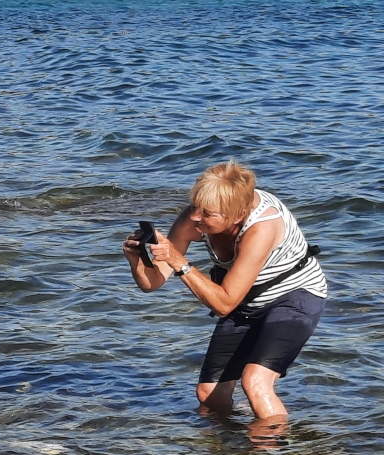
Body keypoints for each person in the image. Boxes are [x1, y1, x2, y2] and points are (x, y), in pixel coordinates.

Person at [122, 161, 327, 421]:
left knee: (255, 383)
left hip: (294, 295)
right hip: (243, 300)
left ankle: (272, 454)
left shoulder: (263, 226)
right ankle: (225, 452)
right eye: (196, 206)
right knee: (209, 393)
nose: (196, 217)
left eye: (208, 213)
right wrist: (137, 260)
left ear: (237, 215)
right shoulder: (194, 218)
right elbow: (152, 283)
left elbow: (223, 305)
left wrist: (179, 262)